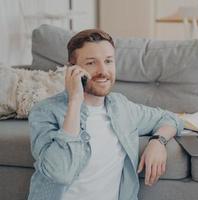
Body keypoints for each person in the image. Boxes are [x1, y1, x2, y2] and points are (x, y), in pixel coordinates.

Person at [27, 29, 183, 200]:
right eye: (91, 63)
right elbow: (60, 173)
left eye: (108, 61)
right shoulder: (44, 112)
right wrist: (75, 102)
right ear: (73, 69)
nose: (103, 70)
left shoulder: (122, 107)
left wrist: (158, 142)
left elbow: (171, 118)